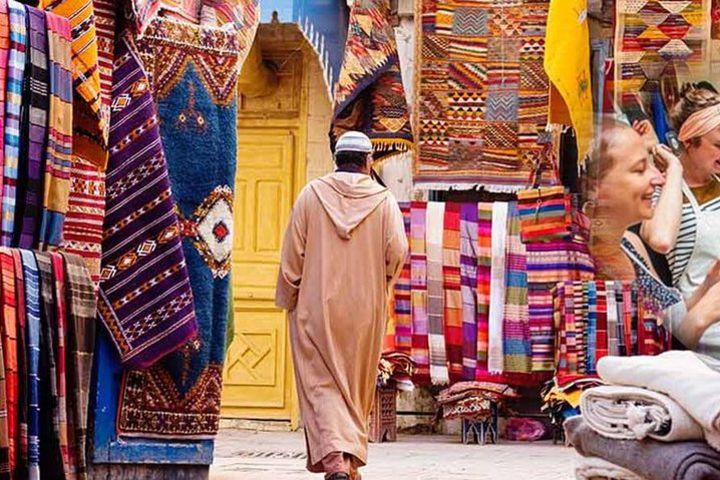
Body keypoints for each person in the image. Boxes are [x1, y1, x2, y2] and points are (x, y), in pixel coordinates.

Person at [275, 131, 408, 480]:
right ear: (367, 162)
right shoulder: (384, 201)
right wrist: (381, 284)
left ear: (336, 159)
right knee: (354, 387)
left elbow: (292, 257)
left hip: (315, 308)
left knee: (321, 384)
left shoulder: (310, 196)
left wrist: (288, 298)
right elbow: (397, 253)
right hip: (365, 310)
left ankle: (335, 459)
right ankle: (346, 462)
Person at [584, 120, 720, 369]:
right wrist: (704, 314)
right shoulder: (590, 260)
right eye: (639, 169)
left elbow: (671, 319)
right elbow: (640, 360)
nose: (658, 178)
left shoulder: (628, 245)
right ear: (597, 187)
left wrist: (709, 284)